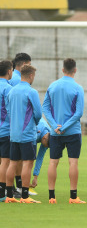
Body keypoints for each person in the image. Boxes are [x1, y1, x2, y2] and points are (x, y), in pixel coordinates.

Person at [42, 58, 85, 204]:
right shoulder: (78, 87)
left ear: (62, 69)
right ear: (75, 69)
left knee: (53, 162)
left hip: (55, 132)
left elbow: (45, 108)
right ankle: (73, 197)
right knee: (73, 162)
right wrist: (65, 127)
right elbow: (79, 113)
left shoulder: (52, 86)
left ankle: (51, 197)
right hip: (72, 131)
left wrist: (54, 126)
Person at [5, 64, 42, 203]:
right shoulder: (31, 92)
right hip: (27, 134)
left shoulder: (11, 91)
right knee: (27, 164)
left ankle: (9, 196)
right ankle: (25, 196)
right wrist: (35, 123)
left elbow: (8, 111)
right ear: (31, 76)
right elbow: (38, 113)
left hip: (13, 133)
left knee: (13, 163)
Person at [9, 53, 32, 197]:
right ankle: (18, 189)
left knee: (11, 160)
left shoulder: (10, 79)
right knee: (21, 161)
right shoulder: (18, 81)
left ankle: (12, 189)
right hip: (20, 127)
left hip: (11, 127)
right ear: (24, 65)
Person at [0, 60, 13, 202]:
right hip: (5, 130)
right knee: (5, 162)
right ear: (9, 71)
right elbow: (11, 111)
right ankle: (2, 192)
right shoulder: (8, 88)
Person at [29, 118, 51, 195]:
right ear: (44, 138)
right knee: (27, 159)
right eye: (45, 145)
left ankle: (23, 186)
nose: (45, 147)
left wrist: (35, 177)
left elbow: (40, 157)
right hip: (27, 132)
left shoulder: (49, 136)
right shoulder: (37, 131)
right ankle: (21, 186)